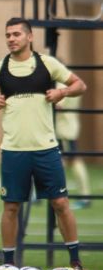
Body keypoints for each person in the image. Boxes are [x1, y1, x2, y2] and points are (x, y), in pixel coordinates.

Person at [0, 17, 88, 270]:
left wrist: (62, 93)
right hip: (13, 151)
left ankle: (76, 262)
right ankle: (9, 265)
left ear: (29, 37)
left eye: (16, 34)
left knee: (61, 203)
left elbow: (79, 84)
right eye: (8, 35)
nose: (11, 39)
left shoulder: (47, 64)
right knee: (11, 207)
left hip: (46, 149)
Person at [55, 82, 91, 210]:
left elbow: (59, 105)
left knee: (73, 161)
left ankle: (85, 197)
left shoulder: (61, 85)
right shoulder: (73, 84)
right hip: (68, 128)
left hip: (64, 131)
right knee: (65, 161)